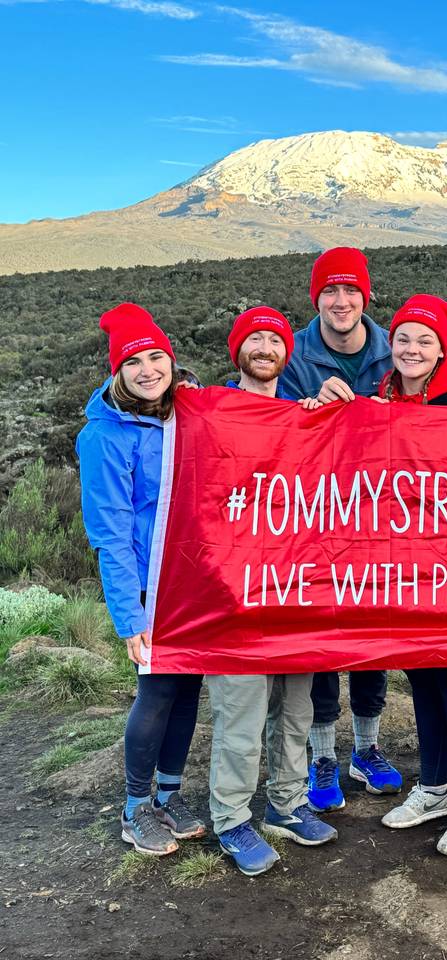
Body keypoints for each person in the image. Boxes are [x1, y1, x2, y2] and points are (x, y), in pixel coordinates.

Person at [207, 306, 337, 877]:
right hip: (235, 594)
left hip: (296, 587)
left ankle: (286, 804)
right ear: (239, 351)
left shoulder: (303, 414)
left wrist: (330, 415)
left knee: (296, 706)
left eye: (274, 340)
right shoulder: (211, 413)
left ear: (289, 352)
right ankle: (231, 816)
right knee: (241, 708)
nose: (264, 348)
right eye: (254, 340)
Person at [77, 302, 206, 856]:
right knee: (156, 692)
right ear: (117, 372)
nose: (148, 369)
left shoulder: (186, 412)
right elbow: (111, 531)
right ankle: (135, 807)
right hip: (151, 588)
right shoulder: (104, 437)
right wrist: (131, 615)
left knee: (186, 691)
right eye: (134, 362)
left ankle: (169, 797)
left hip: (196, 583)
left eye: (157, 357)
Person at [278, 247, 401, 811]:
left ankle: (367, 748)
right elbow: (258, 414)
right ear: (317, 299)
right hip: (316, 519)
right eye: (330, 291)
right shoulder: (292, 353)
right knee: (325, 636)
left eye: (350, 290)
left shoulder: (393, 349)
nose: (341, 301)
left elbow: (434, 407)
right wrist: (304, 407)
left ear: (366, 297)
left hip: (380, 516)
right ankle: (322, 755)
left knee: (374, 633)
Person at [376, 294, 447, 858]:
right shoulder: (376, 401)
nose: (412, 349)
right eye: (403, 339)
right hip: (399, 566)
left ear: (442, 348)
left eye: (424, 340)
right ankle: (433, 787)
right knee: (420, 674)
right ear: (390, 346)